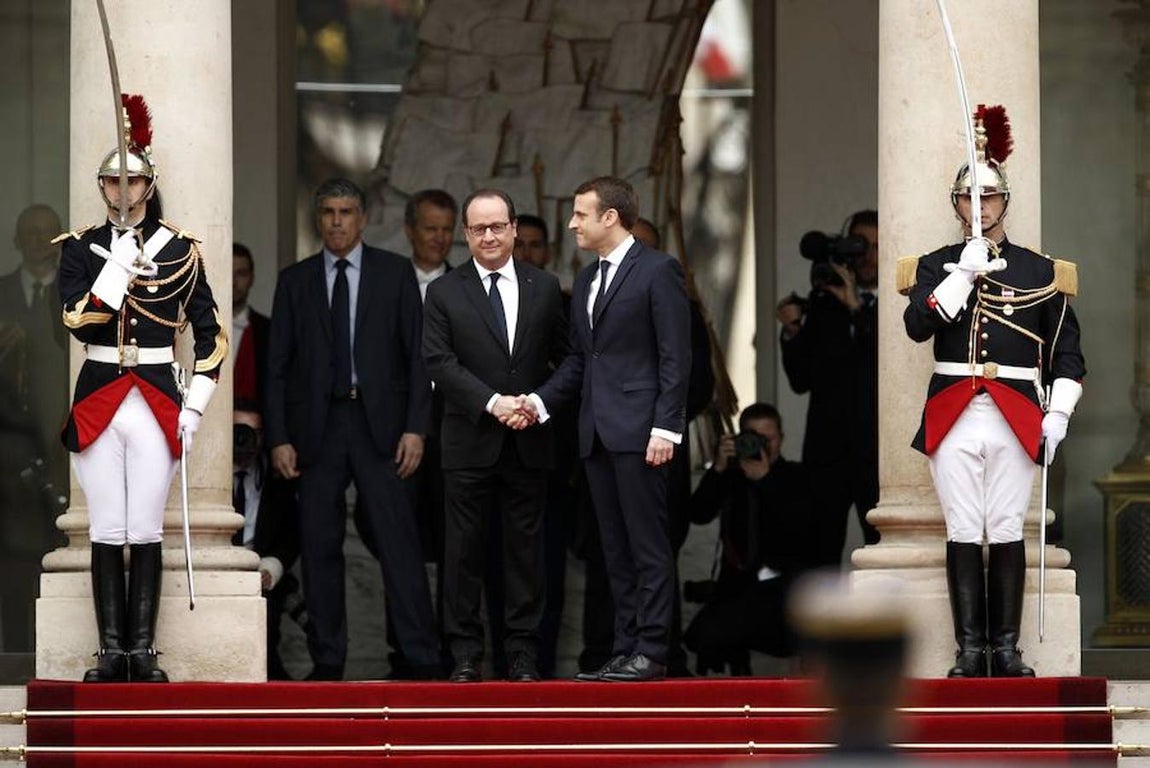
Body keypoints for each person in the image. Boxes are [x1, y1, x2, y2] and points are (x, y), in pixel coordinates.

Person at [899, 106, 1085, 677]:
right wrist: (962, 273)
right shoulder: (934, 265)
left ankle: (1005, 650)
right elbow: (918, 327)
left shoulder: (1041, 271)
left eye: (988, 199)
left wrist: (1058, 414)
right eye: (968, 200)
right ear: (955, 205)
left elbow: (1067, 353)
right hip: (955, 407)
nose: (979, 209)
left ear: (1005, 202)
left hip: (1018, 408)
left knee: (1004, 527)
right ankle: (969, 650)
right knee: (963, 527)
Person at [58, 94, 227, 682]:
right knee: (107, 525)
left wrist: (197, 406)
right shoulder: (81, 249)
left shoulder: (181, 250)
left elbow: (211, 336)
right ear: (103, 188)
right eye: (113, 182)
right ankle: (110, 651)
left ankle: (142, 651)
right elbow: (76, 320)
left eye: (132, 183)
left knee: (147, 527)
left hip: (157, 394)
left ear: (148, 187)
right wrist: (113, 270)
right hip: (101, 387)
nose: (123, 192)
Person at [265, 177, 439, 681]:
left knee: (398, 543)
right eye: (329, 213)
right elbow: (278, 367)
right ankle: (328, 661)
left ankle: (419, 658)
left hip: (381, 426)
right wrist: (279, 436)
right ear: (318, 220)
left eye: (346, 212)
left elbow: (416, 356)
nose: (338, 221)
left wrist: (416, 430)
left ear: (362, 219)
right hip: (317, 430)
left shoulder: (394, 272)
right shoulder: (294, 280)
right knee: (319, 548)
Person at [532, 176, 691, 682]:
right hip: (596, 433)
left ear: (610, 217)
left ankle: (653, 649)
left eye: (581, 214)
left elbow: (675, 355)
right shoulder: (585, 280)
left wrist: (666, 428)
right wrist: (538, 402)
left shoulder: (659, 269)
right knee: (614, 550)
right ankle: (626, 650)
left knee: (648, 545)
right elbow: (581, 361)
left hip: (644, 433)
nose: (572, 223)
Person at [422, 189, 570, 683]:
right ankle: (465, 653)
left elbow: (568, 357)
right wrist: (493, 403)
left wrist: (538, 403)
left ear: (513, 230)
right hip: (468, 441)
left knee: (525, 556)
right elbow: (439, 363)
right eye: (478, 228)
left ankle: (523, 655)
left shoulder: (545, 286)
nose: (488, 235)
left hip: (529, 440)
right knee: (462, 555)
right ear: (466, 234)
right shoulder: (444, 291)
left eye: (497, 226)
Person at [776, 209, 880, 567]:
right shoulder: (823, 303)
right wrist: (792, 332)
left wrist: (856, 307)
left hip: (879, 455)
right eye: (860, 245)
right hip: (827, 452)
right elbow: (801, 380)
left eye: (877, 247)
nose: (868, 255)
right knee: (818, 554)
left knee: (884, 553)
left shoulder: (902, 302)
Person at [683, 403, 816, 674]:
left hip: (783, 590)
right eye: (753, 438)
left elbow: (803, 533)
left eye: (769, 439)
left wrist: (765, 480)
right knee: (699, 637)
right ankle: (738, 672)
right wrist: (718, 468)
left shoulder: (796, 477)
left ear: (782, 438)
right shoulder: (731, 476)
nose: (762, 445)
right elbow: (698, 513)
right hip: (737, 586)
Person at [0, 204, 68, 652]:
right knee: (14, 563)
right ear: (16, 241)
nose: (39, 240)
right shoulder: (1, 292)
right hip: (9, 449)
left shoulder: (78, 293)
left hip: (67, 445)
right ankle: (16, 656)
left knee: (65, 554)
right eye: (30, 233)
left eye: (47, 233)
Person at [232, 402, 300, 680]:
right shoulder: (204, 479)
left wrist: (271, 567)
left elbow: (293, 533)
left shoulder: (278, 478)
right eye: (240, 431)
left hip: (261, 574)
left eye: (257, 432)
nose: (248, 440)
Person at [231, 242, 270, 410]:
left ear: (251, 278)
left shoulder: (269, 331)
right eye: (228, 272)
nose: (233, 282)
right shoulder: (190, 327)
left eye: (241, 274)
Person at [405, 188, 457, 301]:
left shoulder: (468, 288)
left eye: (447, 230)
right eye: (431, 229)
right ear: (410, 231)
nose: (440, 239)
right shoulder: (390, 282)